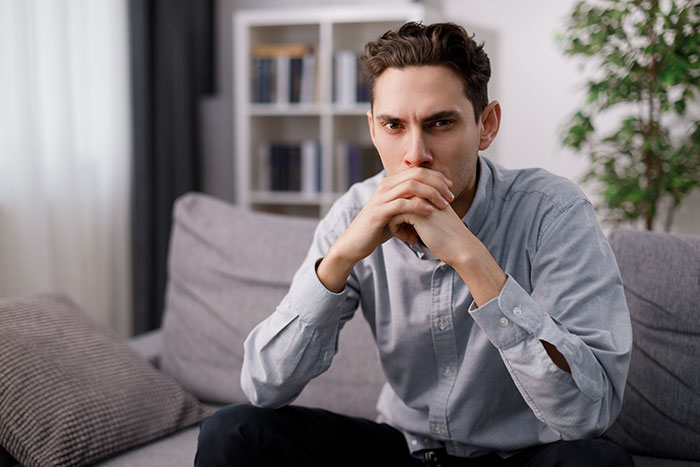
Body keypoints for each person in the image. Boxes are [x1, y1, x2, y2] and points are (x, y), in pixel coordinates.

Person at [195, 22, 634, 467]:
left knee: (598, 462)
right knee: (233, 432)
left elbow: (586, 415)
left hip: (519, 457)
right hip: (404, 452)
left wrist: (469, 257)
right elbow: (264, 386)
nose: (415, 154)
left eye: (440, 123)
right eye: (393, 125)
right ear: (372, 129)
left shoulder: (553, 212)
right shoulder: (354, 213)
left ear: (487, 125)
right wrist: (343, 256)